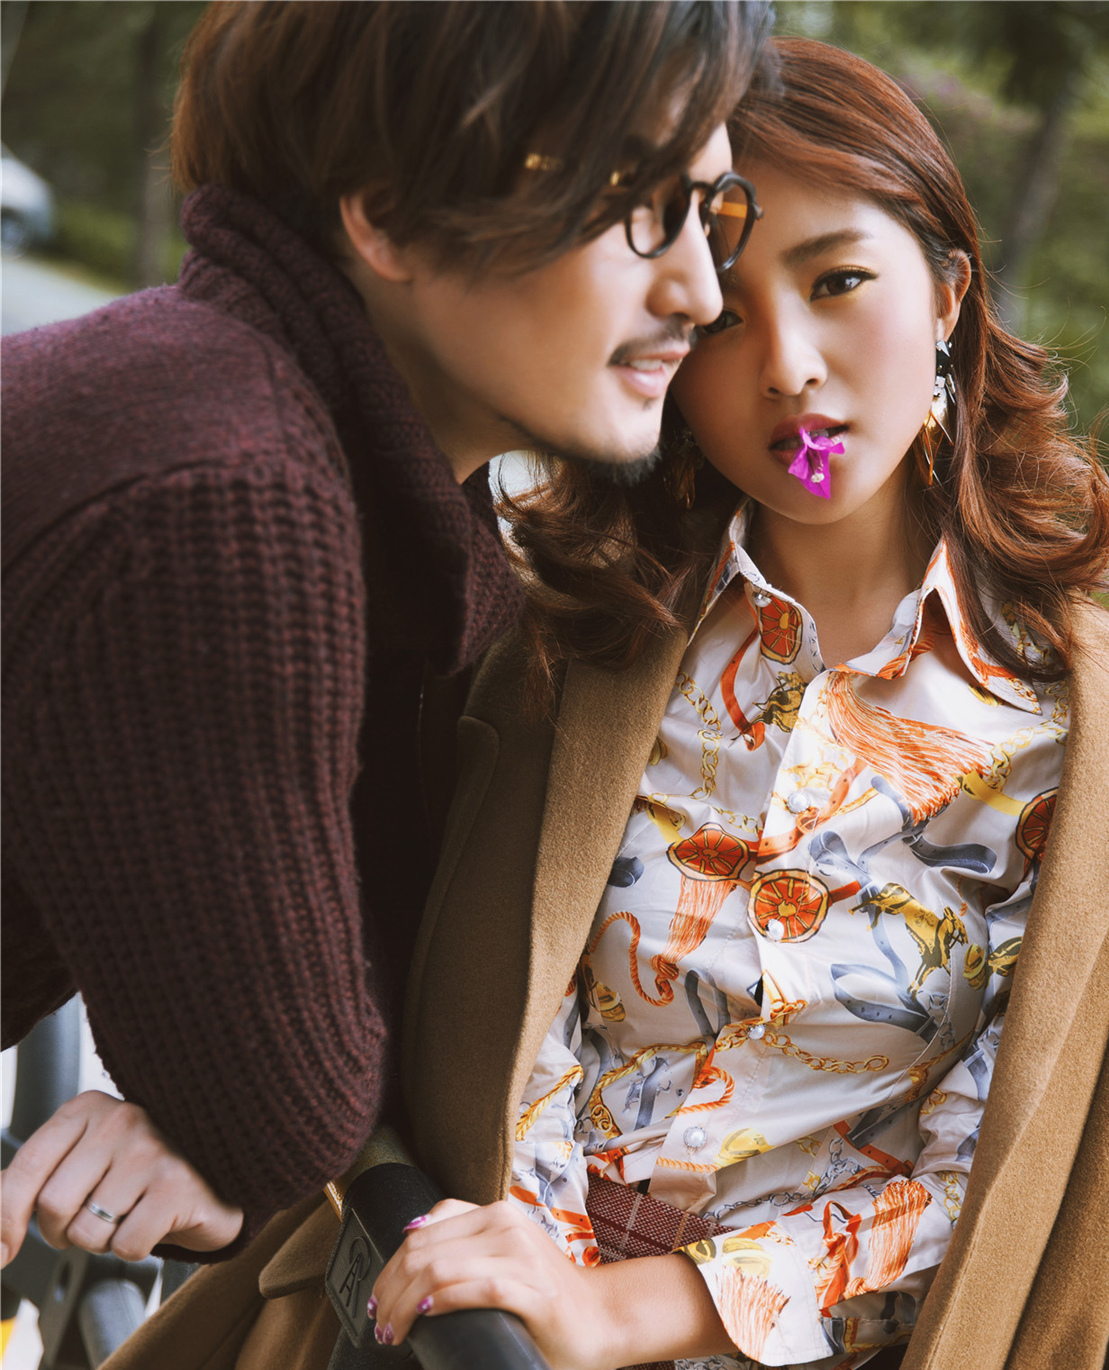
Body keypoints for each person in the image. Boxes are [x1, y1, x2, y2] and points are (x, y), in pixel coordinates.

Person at [79, 32, 1109, 1370]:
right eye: (727, 312)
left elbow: (1010, 1184)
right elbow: (350, 918)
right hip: (423, 1365)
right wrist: (188, 1101)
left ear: (948, 294)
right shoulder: (560, 628)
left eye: (839, 282)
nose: (788, 366)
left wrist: (619, 1311)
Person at [0, 0, 770, 1266]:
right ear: (391, 211)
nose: (700, 288)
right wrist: (245, 1139)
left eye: (709, 212)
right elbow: (284, 1108)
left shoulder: (250, 422)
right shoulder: (220, 493)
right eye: (633, 205)